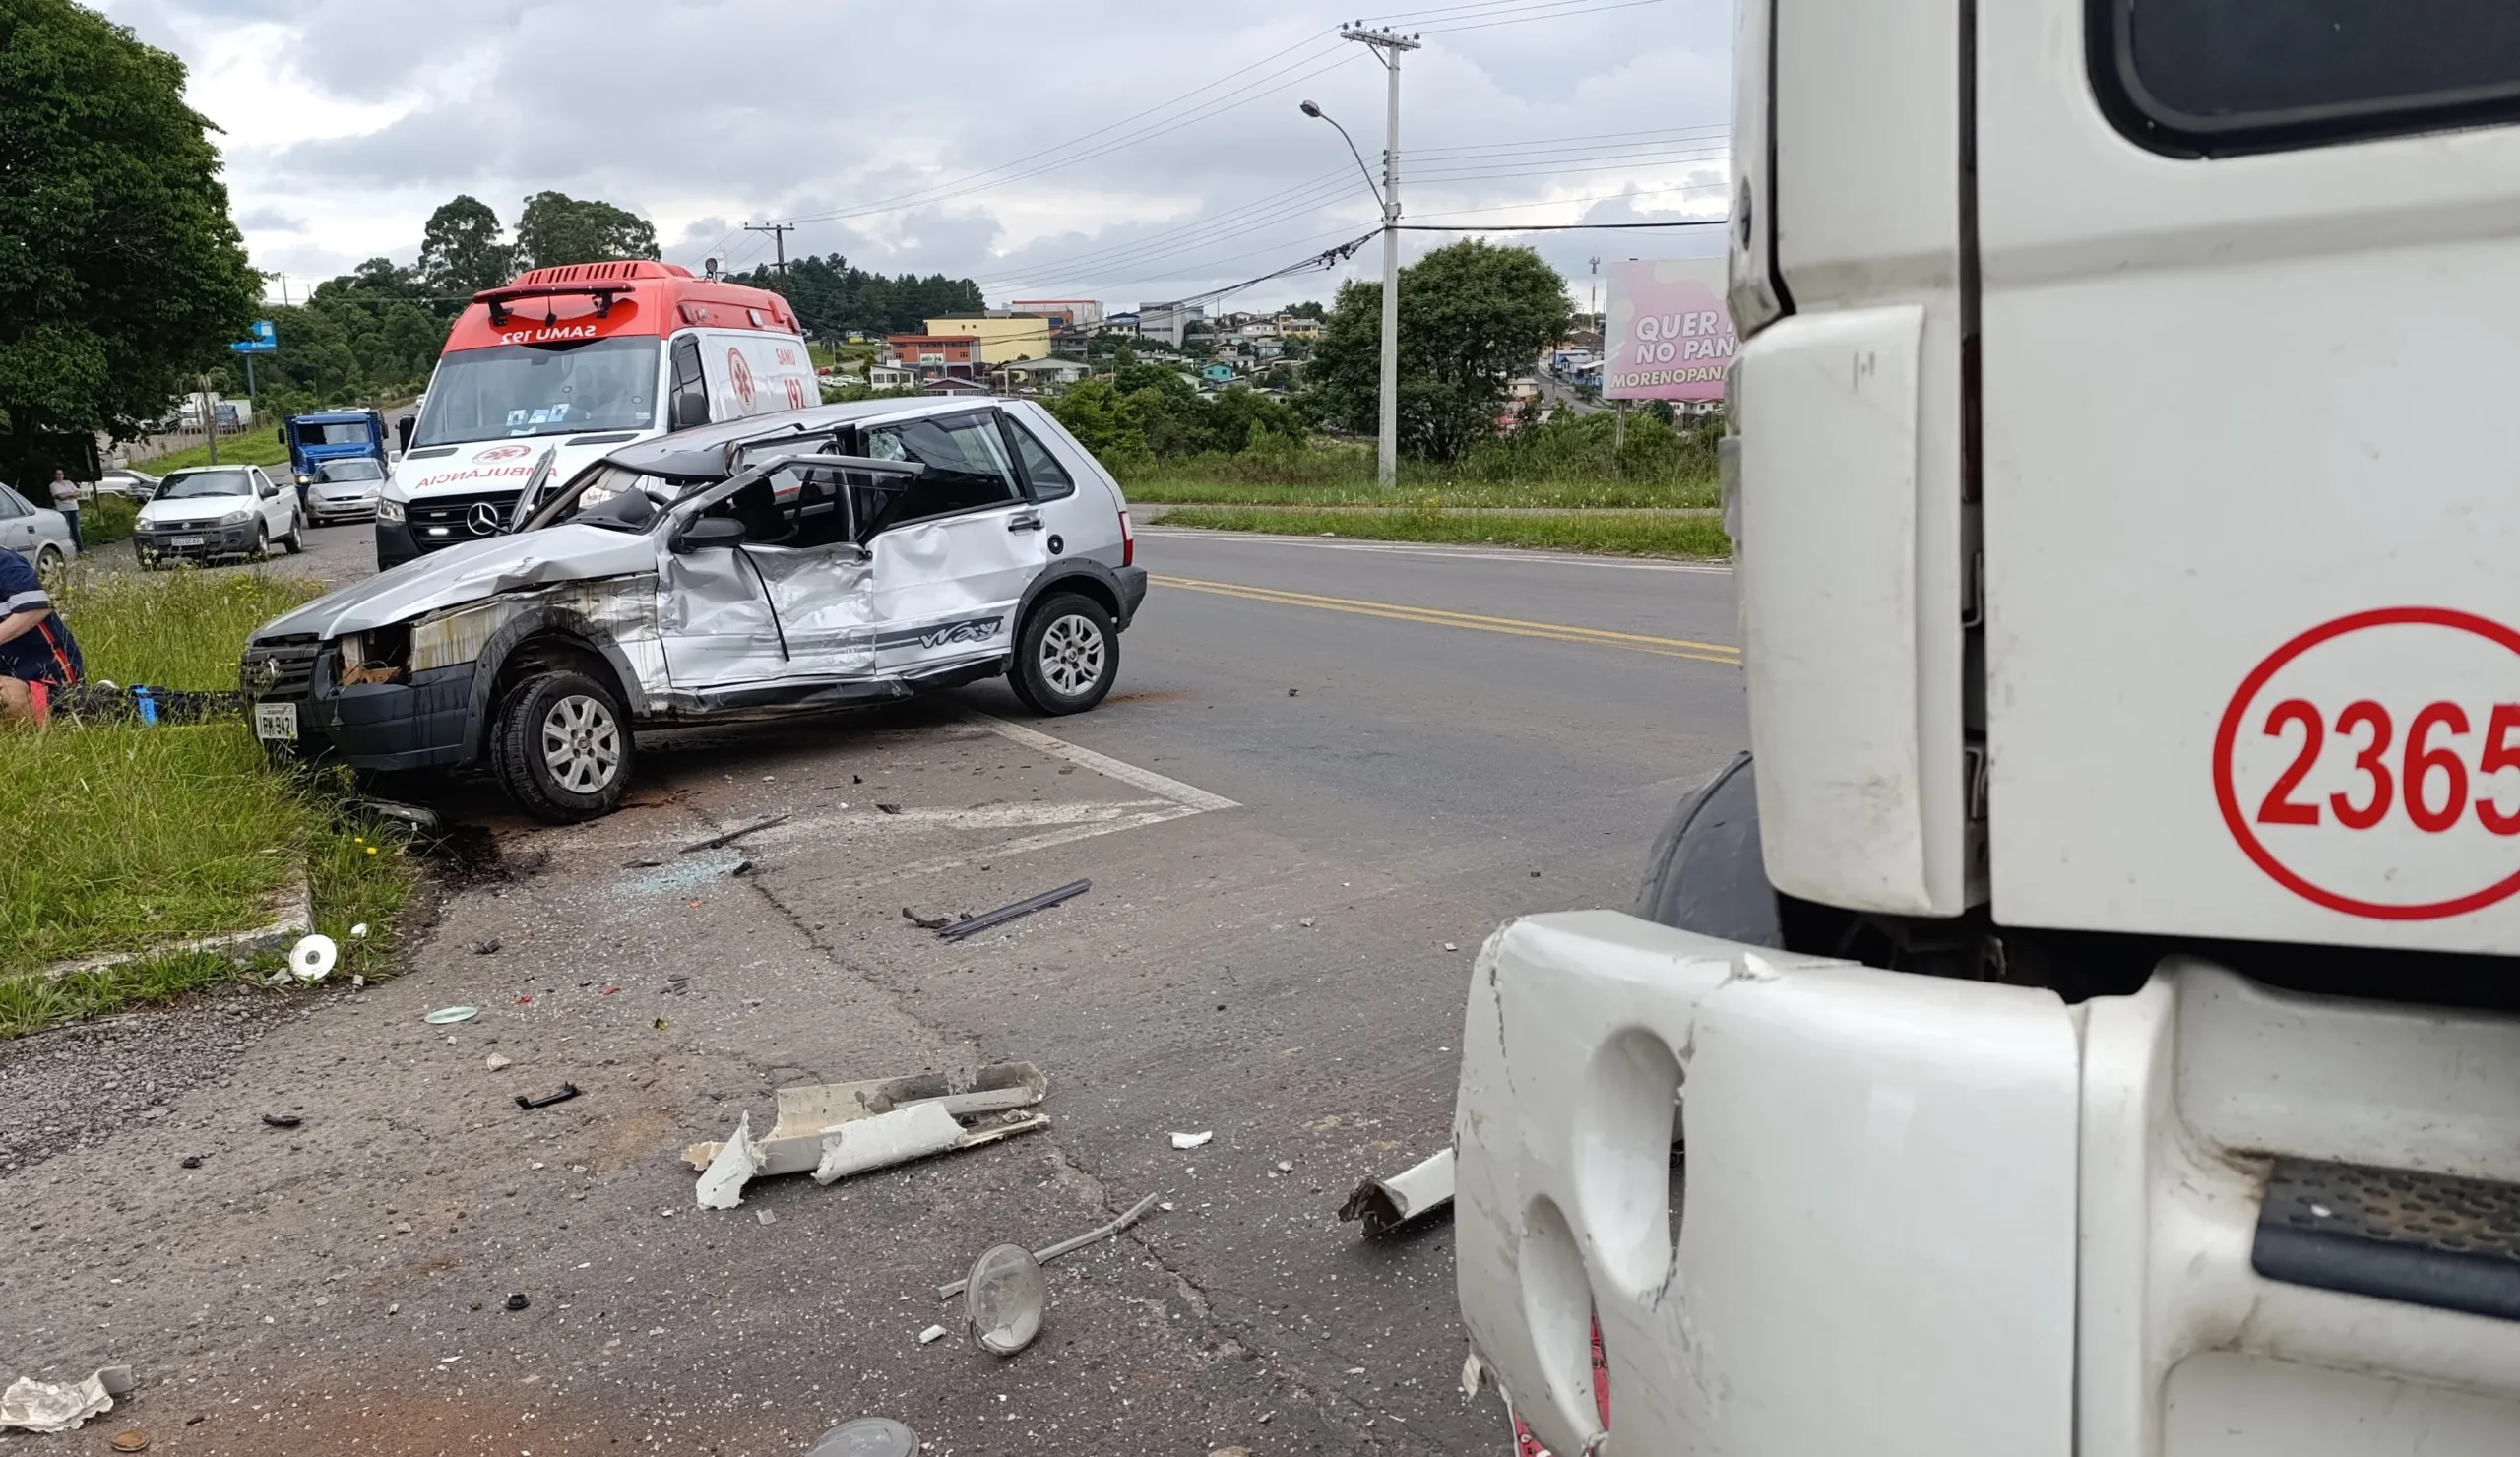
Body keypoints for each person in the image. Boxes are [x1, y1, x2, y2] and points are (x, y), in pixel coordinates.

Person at [0, 542, 83, 723]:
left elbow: (36, 610)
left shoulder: (5, 561)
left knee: (8, 701)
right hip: (7, 674)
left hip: (45, 671)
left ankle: (121, 705)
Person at [48, 469, 80, 550]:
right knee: (68, 529)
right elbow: (60, 497)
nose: (59, 476)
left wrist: (66, 495)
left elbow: (78, 493)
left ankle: (80, 548)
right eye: (57, 474)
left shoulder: (68, 483)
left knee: (76, 529)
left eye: (61, 474)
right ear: (55, 475)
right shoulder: (53, 485)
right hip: (63, 509)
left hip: (74, 507)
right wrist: (71, 494)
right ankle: (71, 548)